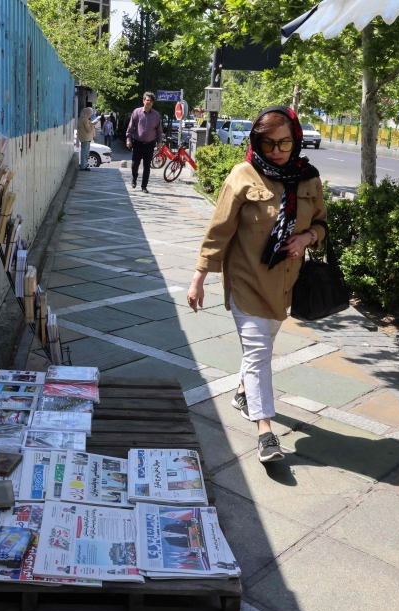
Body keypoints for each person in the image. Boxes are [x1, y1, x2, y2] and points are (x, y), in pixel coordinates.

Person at [186, 106, 327, 463]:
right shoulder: (243, 175)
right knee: (259, 353)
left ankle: (241, 392)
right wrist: (200, 276)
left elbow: (323, 225)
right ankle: (265, 431)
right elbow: (219, 230)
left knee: (261, 348)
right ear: (256, 142)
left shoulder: (308, 178)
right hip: (247, 279)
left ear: (295, 139)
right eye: (268, 144)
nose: (277, 151)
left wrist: (307, 237)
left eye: (284, 143)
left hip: (284, 286)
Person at [125, 92, 163, 193]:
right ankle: (134, 178)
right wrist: (128, 140)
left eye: (150, 101)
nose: (148, 102)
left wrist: (159, 142)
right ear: (143, 101)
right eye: (147, 100)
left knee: (147, 166)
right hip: (137, 142)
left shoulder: (156, 115)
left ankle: (144, 186)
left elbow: (159, 131)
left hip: (150, 144)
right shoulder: (137, 112)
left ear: (152, 103)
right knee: (135, 164)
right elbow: (130, 128)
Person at [76, 106, 95, 171]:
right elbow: (89, 130)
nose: (90, 115)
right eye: (90, 114)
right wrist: (93, 124)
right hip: (86, 138)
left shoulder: (81, 119)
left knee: (84, 152)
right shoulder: (85, 120)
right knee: (85, 153)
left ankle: (83, 165)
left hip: (84, 138)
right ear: (87, 113)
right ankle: (83, 166)